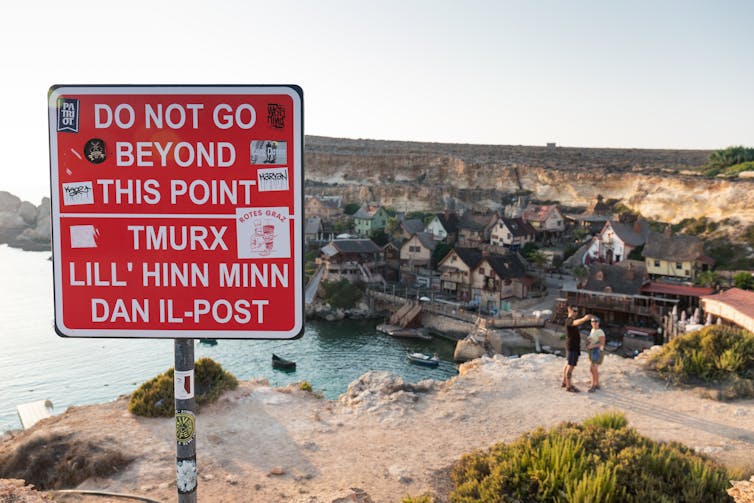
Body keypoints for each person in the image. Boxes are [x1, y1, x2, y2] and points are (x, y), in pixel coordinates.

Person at [562, 306, 592, 392]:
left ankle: (565, 382)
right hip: (572, 347)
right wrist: (585, 318)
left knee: (568, 364)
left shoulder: (570, 320)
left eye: (577, 311)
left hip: (572, 346)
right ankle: (569, 386)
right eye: (574, 311)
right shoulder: (569, 320)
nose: (575, 313)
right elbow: (576, 322)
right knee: (571, 366)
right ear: (569, 310)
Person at [586, 317, 606, 392]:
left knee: (593, 369)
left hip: (597, 352)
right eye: (592, 321)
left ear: (598, 323)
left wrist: (592, 346)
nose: (594, 323)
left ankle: (593, 385)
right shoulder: (593, 330)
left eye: (596, 321)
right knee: (593, 369)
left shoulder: (600, 332)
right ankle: (596, 383)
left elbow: (602, 343)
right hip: (593, 351)